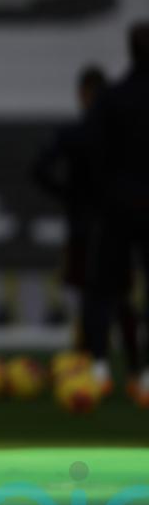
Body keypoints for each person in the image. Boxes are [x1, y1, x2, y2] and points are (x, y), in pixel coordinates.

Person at [33, 65, 139, 393]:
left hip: (86, 226)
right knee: (119, 296)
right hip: (116, 222)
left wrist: (68, 195)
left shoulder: (76, 133)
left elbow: (39, 169)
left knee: (94, 296)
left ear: (82, 94)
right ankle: (133, 369)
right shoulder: (124, 137)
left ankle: (93, 365)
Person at [83, 22, 149, 404]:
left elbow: (92, 153)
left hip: (117, 206)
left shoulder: (111, 97)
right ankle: (145, 373)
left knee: (103, 289)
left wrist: (105, 195)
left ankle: (99, 367)